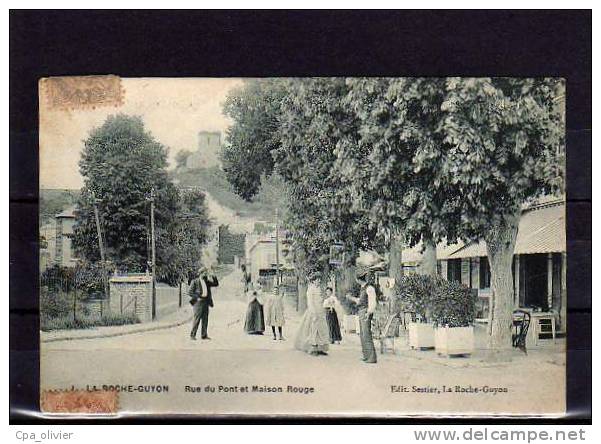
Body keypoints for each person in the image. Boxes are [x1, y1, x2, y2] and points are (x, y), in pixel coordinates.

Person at [346, 270, 377, 363]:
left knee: (366, 334)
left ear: (358, 279)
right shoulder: (363, 288)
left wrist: (369, 312)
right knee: (363, 335)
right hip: (362, 311)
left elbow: (372, 302)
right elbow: (360, 301)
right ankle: (367, 356)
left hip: (366, 312)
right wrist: (352, 298)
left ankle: (371, 357)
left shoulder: (369, 288)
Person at [295, 282, 330, 355]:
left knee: (322, 329)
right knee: (313, 330)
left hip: (320, 310)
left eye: (319, 279)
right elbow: (310, 302)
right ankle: (313, 348)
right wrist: (313, 312)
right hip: (313, 311)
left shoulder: (319, 288)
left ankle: (321, 348)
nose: (319, 281)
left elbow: (321, 299)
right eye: (317, 279)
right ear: (313, 281)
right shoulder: (310, 289)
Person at [189, 266, 219, 341]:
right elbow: (190, 292)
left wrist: (213, 275)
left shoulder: (207, 281)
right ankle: (192, 335)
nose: (205, 274)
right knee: (197, 319)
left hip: (206, 302)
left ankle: (204, 335)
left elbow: (216, 284)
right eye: (204, 273)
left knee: (205, 319)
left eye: (206, 272)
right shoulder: (195, 281)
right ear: (200, 273)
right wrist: (197, 297)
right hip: (198, 302)